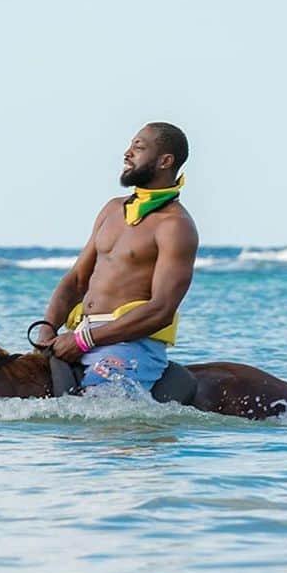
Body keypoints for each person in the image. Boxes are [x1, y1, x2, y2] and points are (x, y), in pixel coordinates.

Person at [37, 123, 197, 395]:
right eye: (130, 145)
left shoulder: (176, 226)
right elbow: (75, 281)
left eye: (139, 147)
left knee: (95, 413)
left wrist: (84, 340)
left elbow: (161, 309)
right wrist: (47, 330)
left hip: (131, 346)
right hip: (79, 337)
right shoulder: (112, 209)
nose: (127, 153)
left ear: (165, 161)